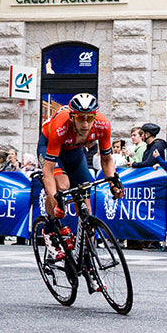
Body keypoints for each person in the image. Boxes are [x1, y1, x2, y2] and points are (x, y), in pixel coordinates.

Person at [37, 93, 124, 259]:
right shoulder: (60, 126)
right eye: (80, 118)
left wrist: (114, 183)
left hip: (74, 152)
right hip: (49, 147)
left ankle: (87, 254)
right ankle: (49, 229)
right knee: (62, 185)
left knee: (85, 203)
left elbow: (106, 160)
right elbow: (48, 169)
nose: (85, 124)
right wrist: (52, 195)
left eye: (89, 118)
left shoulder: (103, 124)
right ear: (72, 117)